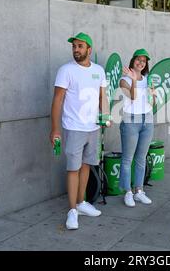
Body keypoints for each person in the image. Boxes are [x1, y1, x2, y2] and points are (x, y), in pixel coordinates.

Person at [50, 32, 110, 230]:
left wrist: (106, 116)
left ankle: (81, 203)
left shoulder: (99, 71)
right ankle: (72, 211)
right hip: (73, 127)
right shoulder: (66, 70)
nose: (76, 50)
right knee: (73, 168)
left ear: (89, 50)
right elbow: (57, 100)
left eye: (80, 46)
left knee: (86, 166)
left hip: (93, 128)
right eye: (74, 46)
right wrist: (55, 129)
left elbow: (103, 97)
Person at [118, 49, 156, 207]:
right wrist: (134, 80)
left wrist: (153, 95)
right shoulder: (124, 80)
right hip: (130, 121)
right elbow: (132, 97)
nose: (141, 62)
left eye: (144, 60)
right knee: (127, 159)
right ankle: (127, 192)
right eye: (138, 60)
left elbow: (152, 103)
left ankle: (139, 191)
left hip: (147, 120)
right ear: (133, 61)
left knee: (141, 158)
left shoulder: (148, 79)